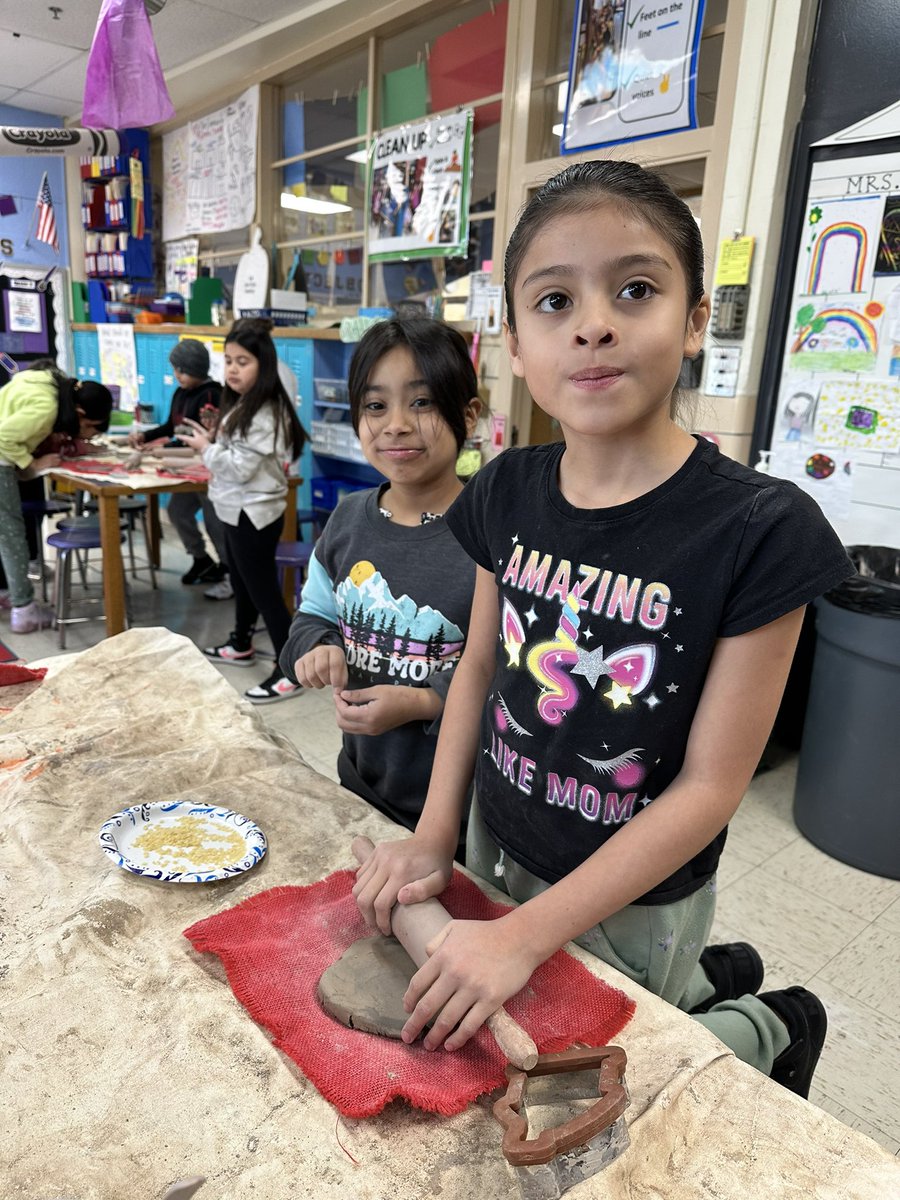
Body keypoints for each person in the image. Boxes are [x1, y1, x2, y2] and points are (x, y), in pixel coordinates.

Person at [352, 161, 856, 1099]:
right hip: (495, 834)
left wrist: (523, 937)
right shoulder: (503, 488)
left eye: (635, 289)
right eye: (553, 300)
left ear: (697, 318)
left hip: (635, 889)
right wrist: (431, 835)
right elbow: (476, 671)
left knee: (603, 1073)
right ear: (512, 339)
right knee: (521, 1027)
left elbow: (711, 788)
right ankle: (717, 974)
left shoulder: (760, 531)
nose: (593, 323)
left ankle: (769, 1019)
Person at [279, 318, 481, 847]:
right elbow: (310, 618)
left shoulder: (491, 536)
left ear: (468, 416)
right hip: (361, 781)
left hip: (459, 810)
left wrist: (422, 703)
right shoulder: (346, 522)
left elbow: (508, 676)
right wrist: (317, 648)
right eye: (375, 406)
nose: (395, 425)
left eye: (422, 402)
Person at [179, 318, 306, 704]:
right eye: (228, 360)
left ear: (263, 364)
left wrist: (206, 448)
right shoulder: (242, 403)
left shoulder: (265, 410)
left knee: (264, 590)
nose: (233, 369)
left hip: (255, 512)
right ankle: (241, 642)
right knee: (242, 580)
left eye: (243, 361)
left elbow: (238, 467)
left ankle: (291, 669)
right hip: (235, 508)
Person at [0, 361, 112, 633]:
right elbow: (3, 437)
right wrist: (36, 466)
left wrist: (76, 446)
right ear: (79, 411)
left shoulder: (54, 384)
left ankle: (10, 592)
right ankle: (23, 609)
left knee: (5, 532)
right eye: (88, 426)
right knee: (11, 533)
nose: (86, 432)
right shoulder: (48, 407)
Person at [128, 338, 231, 598]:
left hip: (205, 468)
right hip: (184, 468)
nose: (177, 375)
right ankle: (201, 559)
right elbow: (171, 428)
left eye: (181, 370)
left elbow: (206, 439)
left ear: (196, 369)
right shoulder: (181, 392)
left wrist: (162, 450)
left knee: (214, 522)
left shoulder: (211, 395)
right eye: (176, 370)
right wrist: (146, 437)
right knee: (177, 510)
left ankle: (230, 572)